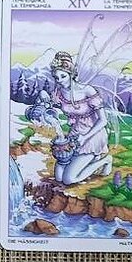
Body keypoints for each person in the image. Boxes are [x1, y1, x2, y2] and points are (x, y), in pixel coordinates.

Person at [48, 52, 112, 185]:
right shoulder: (59, 93)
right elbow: (52, 109)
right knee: (59, 177)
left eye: (63, 76)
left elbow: (103, 120)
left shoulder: (87, 91)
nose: (60, 80)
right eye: (56, 77)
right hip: (75, 135)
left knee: (68, 179)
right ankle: (88, 162)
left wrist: (85, 137)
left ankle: (105, 160)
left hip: (92, 136)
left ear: (71, 74)